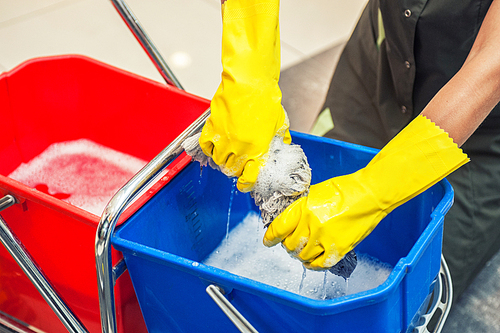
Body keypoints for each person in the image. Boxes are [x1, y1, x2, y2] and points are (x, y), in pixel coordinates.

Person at [200, 0, 500, 303]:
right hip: (386, 57)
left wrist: (372, 191)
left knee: (418, 290)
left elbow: (491, 63)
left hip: (481, 120)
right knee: (318, 185)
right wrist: (249, 74)